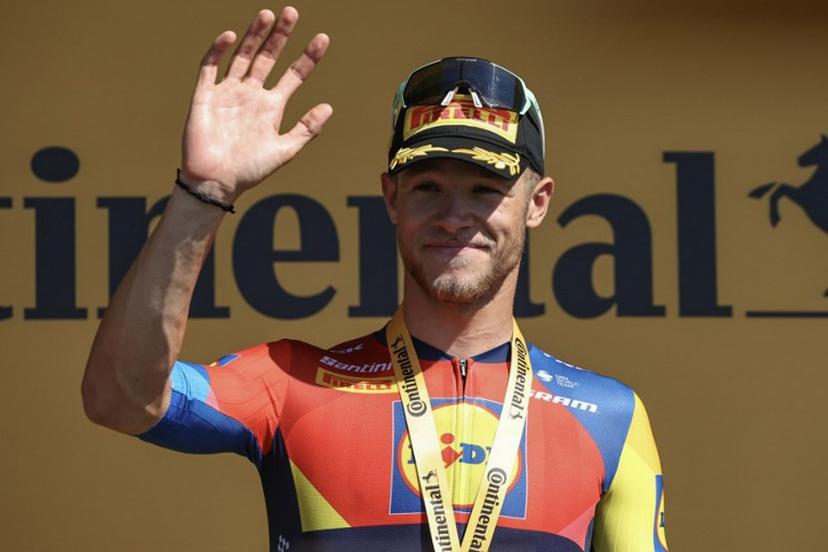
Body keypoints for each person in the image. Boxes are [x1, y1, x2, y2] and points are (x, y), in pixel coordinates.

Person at [81, 7, 668, 552]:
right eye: (428, 188)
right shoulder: (289, 383)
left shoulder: (610, 417)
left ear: (537, 203)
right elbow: (119, 398)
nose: (454, 216)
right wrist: (202, 195)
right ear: (392, 198)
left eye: (485, 191)